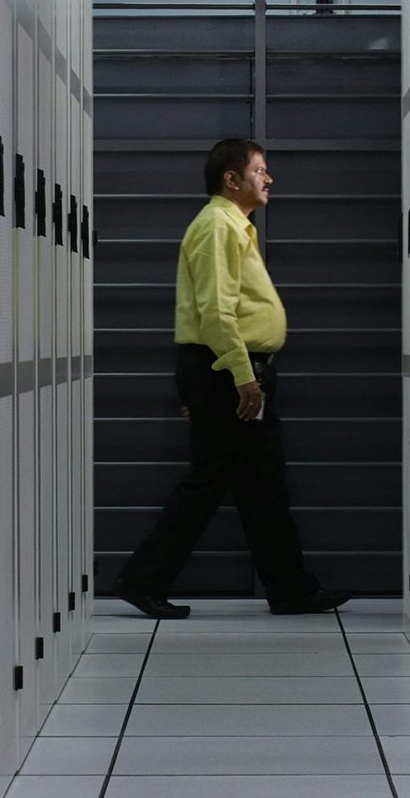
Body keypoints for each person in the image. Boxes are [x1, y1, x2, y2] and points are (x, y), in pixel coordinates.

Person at [108, 138, 351, 620]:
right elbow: (215, 312)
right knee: (207, 482)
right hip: (227, 372)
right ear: (231, 179)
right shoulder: (218, 225)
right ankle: (142, 579)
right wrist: (243, 378)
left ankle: (291, 589)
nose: (269, 178)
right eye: (260, 170)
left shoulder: (232, 225)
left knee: (264, 487)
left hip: (228, 371)